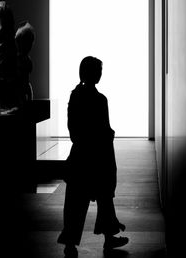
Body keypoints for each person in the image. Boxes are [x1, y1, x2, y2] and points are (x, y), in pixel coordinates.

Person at [58, 56, 128, 257]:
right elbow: (104, 131)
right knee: (105, 198)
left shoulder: (75, 96)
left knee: (74, 204)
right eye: (98, 70)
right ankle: (109, 237)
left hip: (80, 157)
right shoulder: (100, 99)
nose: (100, 74)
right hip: (98, 157)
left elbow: (73, 130)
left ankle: (70, 242)